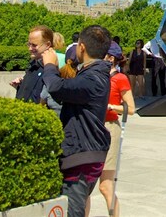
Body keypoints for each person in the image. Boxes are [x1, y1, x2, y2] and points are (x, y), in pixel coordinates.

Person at [41, 25, 113, 217]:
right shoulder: (95, 74)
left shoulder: (93, 77)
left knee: (72, 211)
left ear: (81, 47)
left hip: (82, 156)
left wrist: (49, 65)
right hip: (85, 153)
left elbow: (56, 87)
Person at [98, 43, 136, 215]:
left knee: (106, 186)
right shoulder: (95, 75)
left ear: (110, 58)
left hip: (109, 128)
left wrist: (111, 106)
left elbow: (131, 108)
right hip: (92, 127)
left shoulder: (120, 78)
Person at [11, 25, 52, 103]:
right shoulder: (33, 64)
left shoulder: (50, 68)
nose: (30, 48)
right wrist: (21, 86)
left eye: (34, 45)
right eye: (29, 44)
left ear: (47, 45)